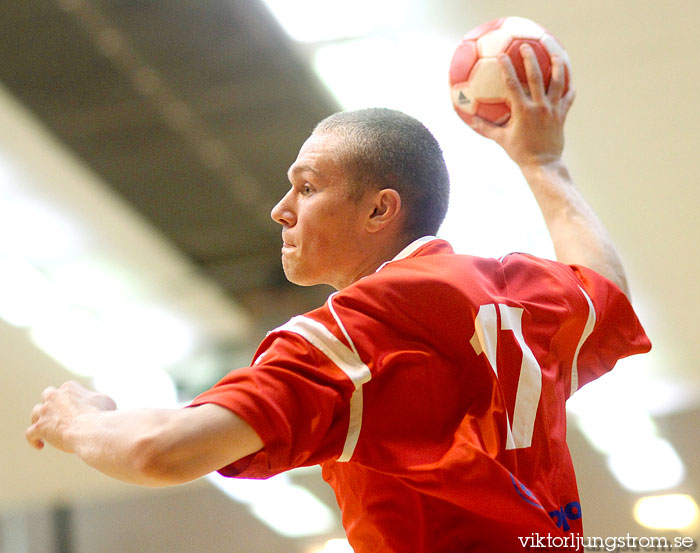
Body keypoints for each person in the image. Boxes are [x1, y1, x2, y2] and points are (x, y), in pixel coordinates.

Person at [27, 45, 650, 551]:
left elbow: (160, 451)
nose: (280, 210)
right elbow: (606, 291)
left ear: (380, 209)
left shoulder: (362, 331)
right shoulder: (518, 292)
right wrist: (544, 164)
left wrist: (82, 422)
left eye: (306, 186)